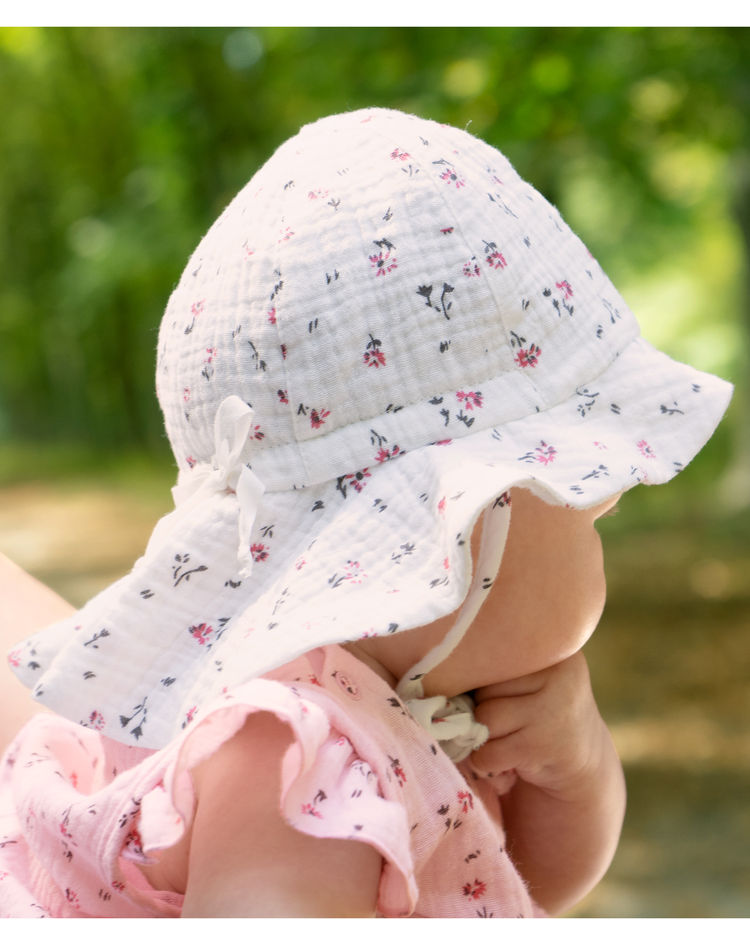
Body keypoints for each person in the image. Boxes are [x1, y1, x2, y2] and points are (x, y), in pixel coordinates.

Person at [0, 108, 732, 919]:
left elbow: (522, 890)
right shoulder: (298, 760)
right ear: (461, 531)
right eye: (586, 503)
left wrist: (578, 764)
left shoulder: (424, 699)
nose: (607, 499)